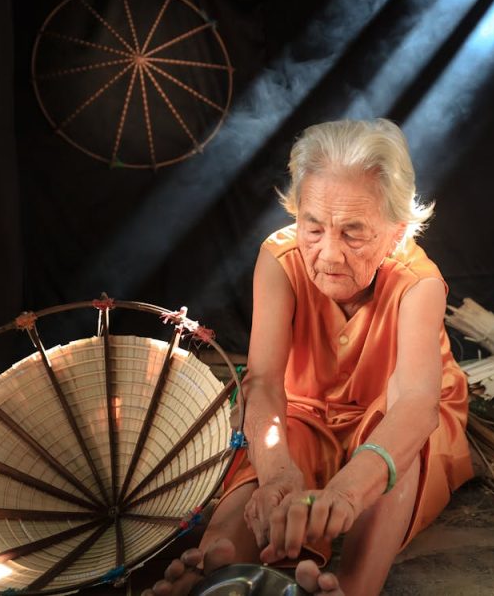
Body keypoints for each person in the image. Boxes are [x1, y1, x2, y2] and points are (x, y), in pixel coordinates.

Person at [146, 119, 473, 595]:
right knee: (272, 453)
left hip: (395, 419)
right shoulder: (279, 260)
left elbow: (414, 406)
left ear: (396, 232)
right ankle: (214, 569)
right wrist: (278, 471)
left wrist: (347, 491)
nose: (328, 255)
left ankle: (355, 586)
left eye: (354, 233)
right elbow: (263, 385)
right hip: (305, 410)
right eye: (313, 227)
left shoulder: (418, 282)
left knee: (397, 457)